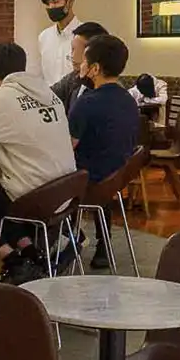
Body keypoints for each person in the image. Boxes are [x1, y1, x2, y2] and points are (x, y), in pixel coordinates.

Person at [0, 41, 76, 274]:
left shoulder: (3, 97)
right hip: (64, 192)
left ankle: (14, 263)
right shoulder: (48, 94)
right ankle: (32, 254)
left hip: (33, 196)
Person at [68, 34, 141, 270]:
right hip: (115, 177)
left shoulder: (87, 103)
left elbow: (67, 146)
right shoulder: (129, 100)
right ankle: (97, 242)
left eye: (83, 62)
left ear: (94, 68)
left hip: (87, 182)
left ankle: (66, 239)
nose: (80, 65)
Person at [50, 20, 106, 112]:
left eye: (74, 49)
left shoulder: (111, 89)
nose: (71, 55)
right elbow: (49, 94)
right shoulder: (73, 78)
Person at [37, 0, 80, 83]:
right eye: (48, 3)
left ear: (70, 2)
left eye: (56, 2)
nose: (51, 7)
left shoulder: (85, 35)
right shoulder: (44, 37)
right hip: (50, 98)